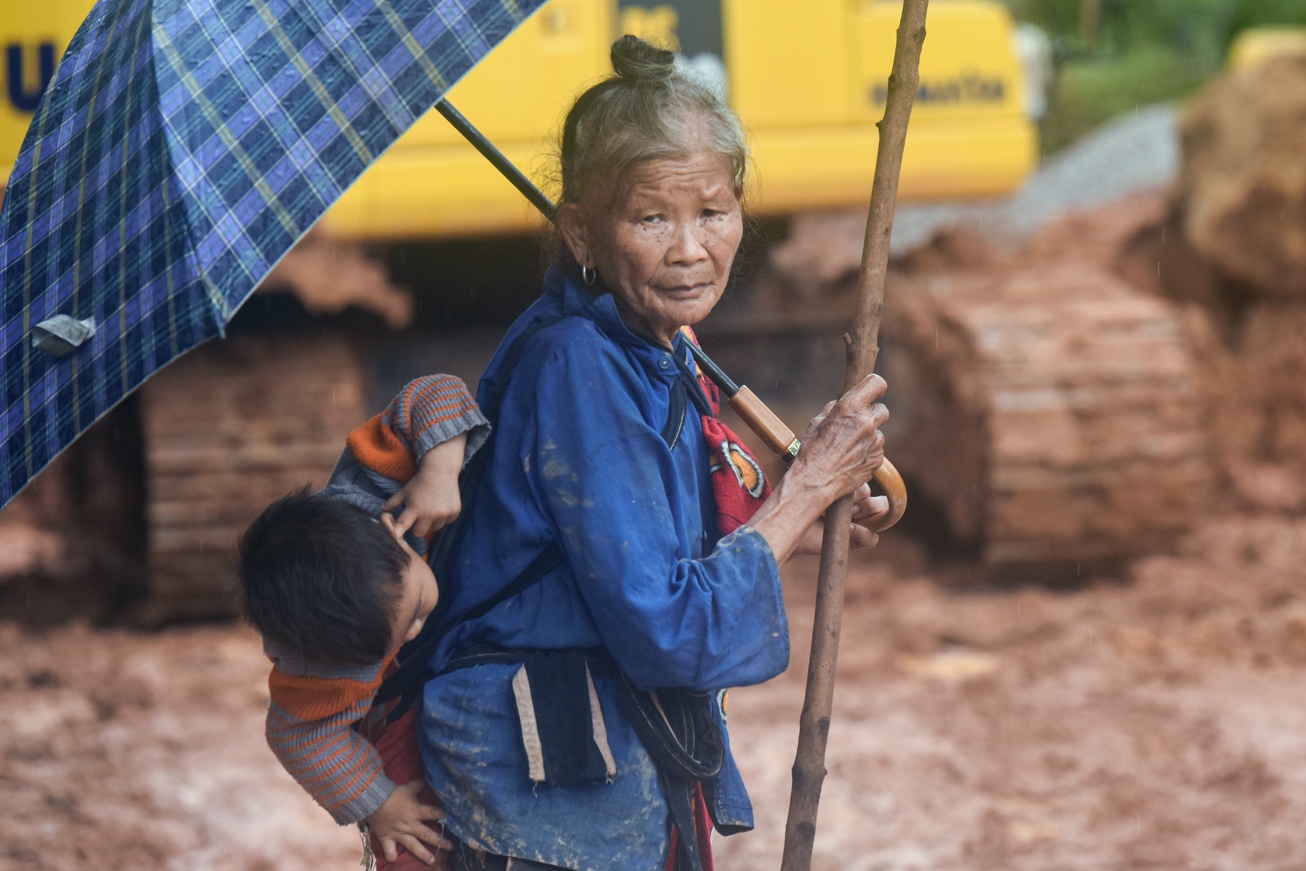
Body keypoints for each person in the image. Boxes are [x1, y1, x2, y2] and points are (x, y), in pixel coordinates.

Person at [417, 36, 892, 871]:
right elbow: (669, 627)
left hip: (608, 749)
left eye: (712, 212)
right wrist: (806, 488)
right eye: (650, 218)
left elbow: (656, 539)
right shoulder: (577, 362)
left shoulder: (655, 345)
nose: (689, 249)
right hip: (545, 775)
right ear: (581, 229)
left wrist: (815, 509)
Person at [237, 374, 489, 869]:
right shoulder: (322, 670)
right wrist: (378, 801)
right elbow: (299, 736)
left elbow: (433, 390)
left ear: (396, 540)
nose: (417, 628)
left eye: (415, 609)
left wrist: (439, 469)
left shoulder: (377, 489)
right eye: (399, 636)